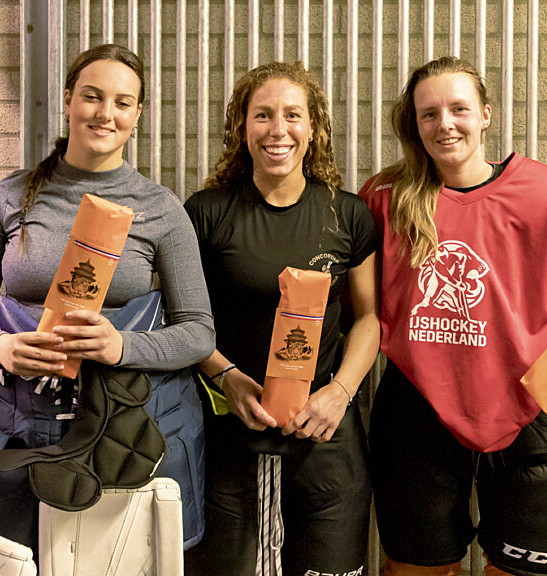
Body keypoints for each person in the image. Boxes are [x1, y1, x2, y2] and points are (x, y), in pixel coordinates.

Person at [0, 44, 215, 554]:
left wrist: (120, 346)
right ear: (68, 100)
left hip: (123, 426)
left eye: (122, 102)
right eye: (92, 97)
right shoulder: (7, 197)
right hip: (14, 419)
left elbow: (198, 332)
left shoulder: (161, 208)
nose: (106, 113)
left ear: (137, 115)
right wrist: (0, 347)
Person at [358, 56, 547, 576]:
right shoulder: (383, 198)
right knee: (417, 569)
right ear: (414, 123)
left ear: (486, 114)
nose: (445, 124)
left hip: (534, 407)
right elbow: (357, 306)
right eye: (429, 113)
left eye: (459, 109)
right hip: (417, 408)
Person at [184, 61, 379, 576]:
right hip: (231, 437)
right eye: (262, 115)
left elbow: (368, 319)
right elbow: (184, 320)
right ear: (242, 127)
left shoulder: (348, 214)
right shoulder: (206, 212)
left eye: (293, 115)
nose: (278, 130)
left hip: (325, 438)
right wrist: (226, 377)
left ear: (313, 128)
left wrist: (340, 393)